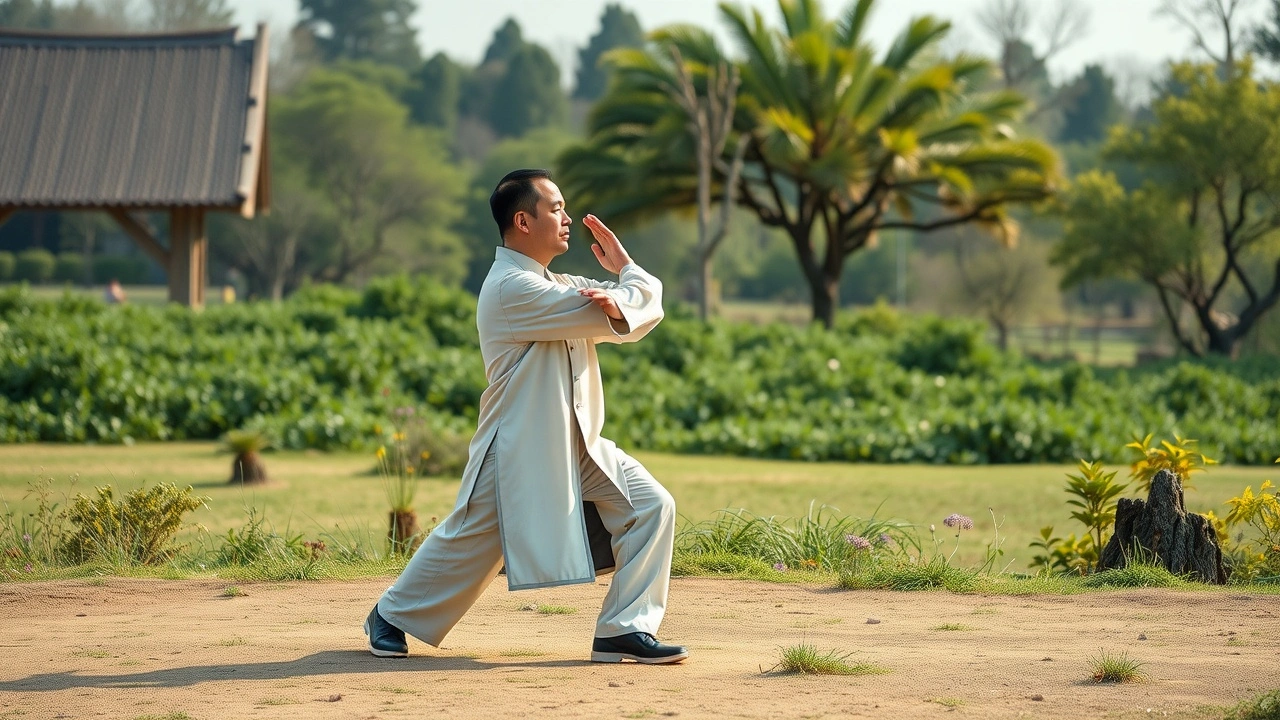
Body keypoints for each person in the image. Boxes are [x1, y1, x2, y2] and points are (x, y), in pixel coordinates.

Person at [364, 169, 687, 665]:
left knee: (650, 507)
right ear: (523, 219)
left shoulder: (553, 282)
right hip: (517, 445)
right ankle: (390, 615)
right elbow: (617, 314)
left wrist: (625, 273)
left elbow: (639, 313)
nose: (567, 217)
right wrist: (623, 295)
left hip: (576, 442)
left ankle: (623, 629)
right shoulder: (512, 289)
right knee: (471, 539)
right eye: (555, 208)